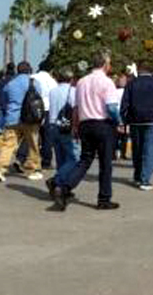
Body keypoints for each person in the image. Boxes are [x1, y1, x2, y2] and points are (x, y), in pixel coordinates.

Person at [49, 51, 120, 212]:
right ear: (104, 64)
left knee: (84, 160)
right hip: (102, 124)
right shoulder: (107, 82)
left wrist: (75, 126)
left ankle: (65, 188)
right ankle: (104, 199)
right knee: (105, 164)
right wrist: (119, 121)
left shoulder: (81, 82)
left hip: (85, 124)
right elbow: (111, 107)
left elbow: (77, 107)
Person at [121, 62, 153, 190]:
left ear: (139, 70)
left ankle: (137, 176)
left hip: (135, 120)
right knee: (149, 150)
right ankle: (145, 180)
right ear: (151, 71)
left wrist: (124, 120)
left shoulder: (131, 83)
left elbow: (124, 103)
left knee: (137, 149)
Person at [0, 61, 43, 182]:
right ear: (30, 70)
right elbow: (38, 99)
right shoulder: (35, 83)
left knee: (8, 145)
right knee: (32, 145)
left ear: (18, 71)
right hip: (30, 119)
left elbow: (4, 101)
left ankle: (0, 170)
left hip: (12, 118)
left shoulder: (10, 84)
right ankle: (32, 170)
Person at [47, 69, 78, 181]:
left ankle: (60, 185)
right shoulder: (73, 91)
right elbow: (75, 110)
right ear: (71, 79)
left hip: (52, 125)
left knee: (60, 158)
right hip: (66, 126)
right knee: (74, 158)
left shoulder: (53, 91)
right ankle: (57, 180)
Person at [31, 62, 58, 170]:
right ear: (50, 70)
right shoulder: (52, 81)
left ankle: (26, 158)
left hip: (32, 109)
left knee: (31, 134)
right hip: (47, 110)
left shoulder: (32, 77)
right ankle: (46, 162)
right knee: (47, 137)